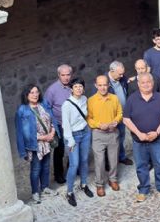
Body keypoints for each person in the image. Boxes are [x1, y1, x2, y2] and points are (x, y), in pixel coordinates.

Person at [123, 72, 160, 202]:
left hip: (157, 138)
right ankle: (143, 189)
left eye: (148, 82)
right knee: (141, 165)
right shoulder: (132, 99)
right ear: (138, 84)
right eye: (143, 82)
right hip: (139, 140)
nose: (146, 84)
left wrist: (156, 132)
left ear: (153, 83)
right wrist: (139, 134)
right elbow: (126, 119)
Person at [15, 84, 59, 204]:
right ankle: (35, 192)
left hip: (47, 142)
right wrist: (45, 137)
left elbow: (52, 120)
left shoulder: (43, 104)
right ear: (26, 95)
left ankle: (44, 188)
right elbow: (23, 132)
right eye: (31, 92)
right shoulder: (22, 110)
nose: (35, 95)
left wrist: (53, 132)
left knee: (46, 166)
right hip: (35, 144)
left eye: (36, 92)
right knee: (36, 169)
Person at [87, 75, 123, 197]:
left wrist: (116, 122)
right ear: (96, 85)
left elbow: (120, 113)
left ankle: (113, 179)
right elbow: (89, 118)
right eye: (100, 85)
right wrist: (98, 125)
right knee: (100, 161)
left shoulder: (114, 98)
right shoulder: (91, 100)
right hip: (98, 134)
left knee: (113, 159)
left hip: (113, 132)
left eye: (105, 85)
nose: (103, 87)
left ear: (108, 85)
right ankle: (100, 184)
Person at [61, 78, 93, 207]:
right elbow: (66, 124)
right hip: (73, 136)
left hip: (85, 132)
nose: (78, 89)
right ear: (71, 89)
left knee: (84, 160)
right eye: (76, 87)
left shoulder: (85, 99)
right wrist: (71, 141)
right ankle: (69, 192)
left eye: (80, 86)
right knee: (74, 164)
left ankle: (83, 184)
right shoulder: (67, 105)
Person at [44, 64, 72, 184]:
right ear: (59, 75)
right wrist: (52, 126)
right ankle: (58, 174)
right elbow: (46, 108)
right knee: (59, 150)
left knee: (73, 147)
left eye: (68, 75)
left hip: (72, 124)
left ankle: (73, 169)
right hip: (59, 124)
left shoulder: (74, 86)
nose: (66, 77)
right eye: (63, 75)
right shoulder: (52, 90)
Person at [106, 61, 133, 166]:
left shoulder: (122, 79)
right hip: (111, 116)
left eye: (123, 74)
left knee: (121, 136)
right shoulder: (104, 81)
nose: (122, 76)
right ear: (112, 71)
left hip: (121, 114)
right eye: (120, 74)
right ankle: (109, 161)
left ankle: (121, 157)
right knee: (111, 139)